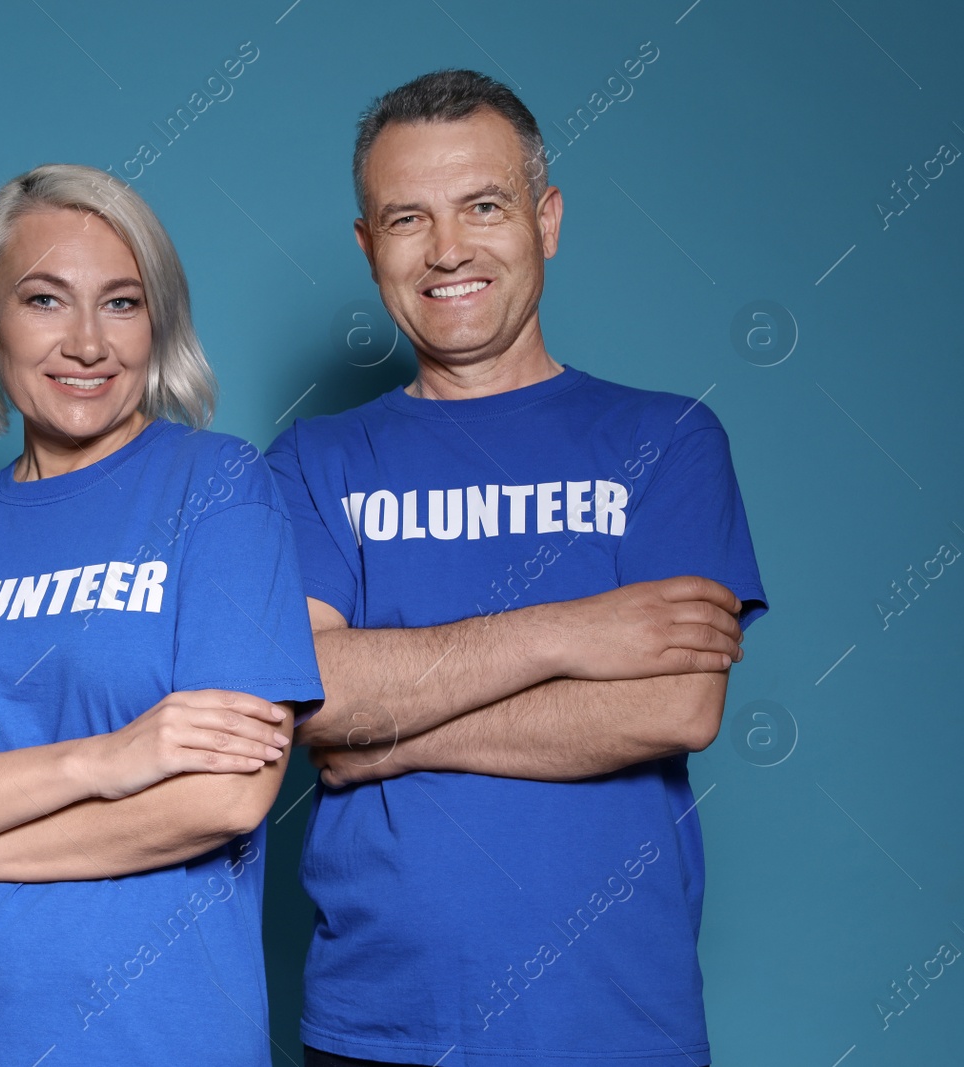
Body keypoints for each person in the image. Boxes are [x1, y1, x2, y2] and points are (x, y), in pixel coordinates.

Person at [265, 71, 768, 1067]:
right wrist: (568, 630)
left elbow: (672, 707)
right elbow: (320, 706)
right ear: (369, 248)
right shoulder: (312, 462)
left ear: (545, 219)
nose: (447, 249)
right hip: (379, 1025)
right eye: (406, 218)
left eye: (482, 206)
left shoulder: (666, 438)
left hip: (615, 1022)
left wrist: (397, 736)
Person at [0, 163, 323, 1066]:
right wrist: (109, 757)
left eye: (122, 303)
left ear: (157, 321)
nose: (87, 342)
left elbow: (226, 794)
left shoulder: (218, 488)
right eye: (45, 299)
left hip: (154, 1035)